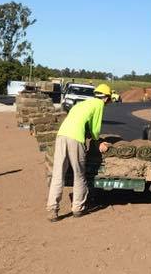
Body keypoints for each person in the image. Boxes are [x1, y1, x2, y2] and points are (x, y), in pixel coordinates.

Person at [46, 83, 113, 221]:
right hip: (75, 138)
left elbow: (79, 122)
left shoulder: (82, 104)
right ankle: (78, 208)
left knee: (58, 174)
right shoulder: (99, 104)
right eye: (109, 100)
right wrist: (99, 141)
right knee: (79, 175)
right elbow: (95, 129)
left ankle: (52, 210)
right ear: (106, 98)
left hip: (61, 135)